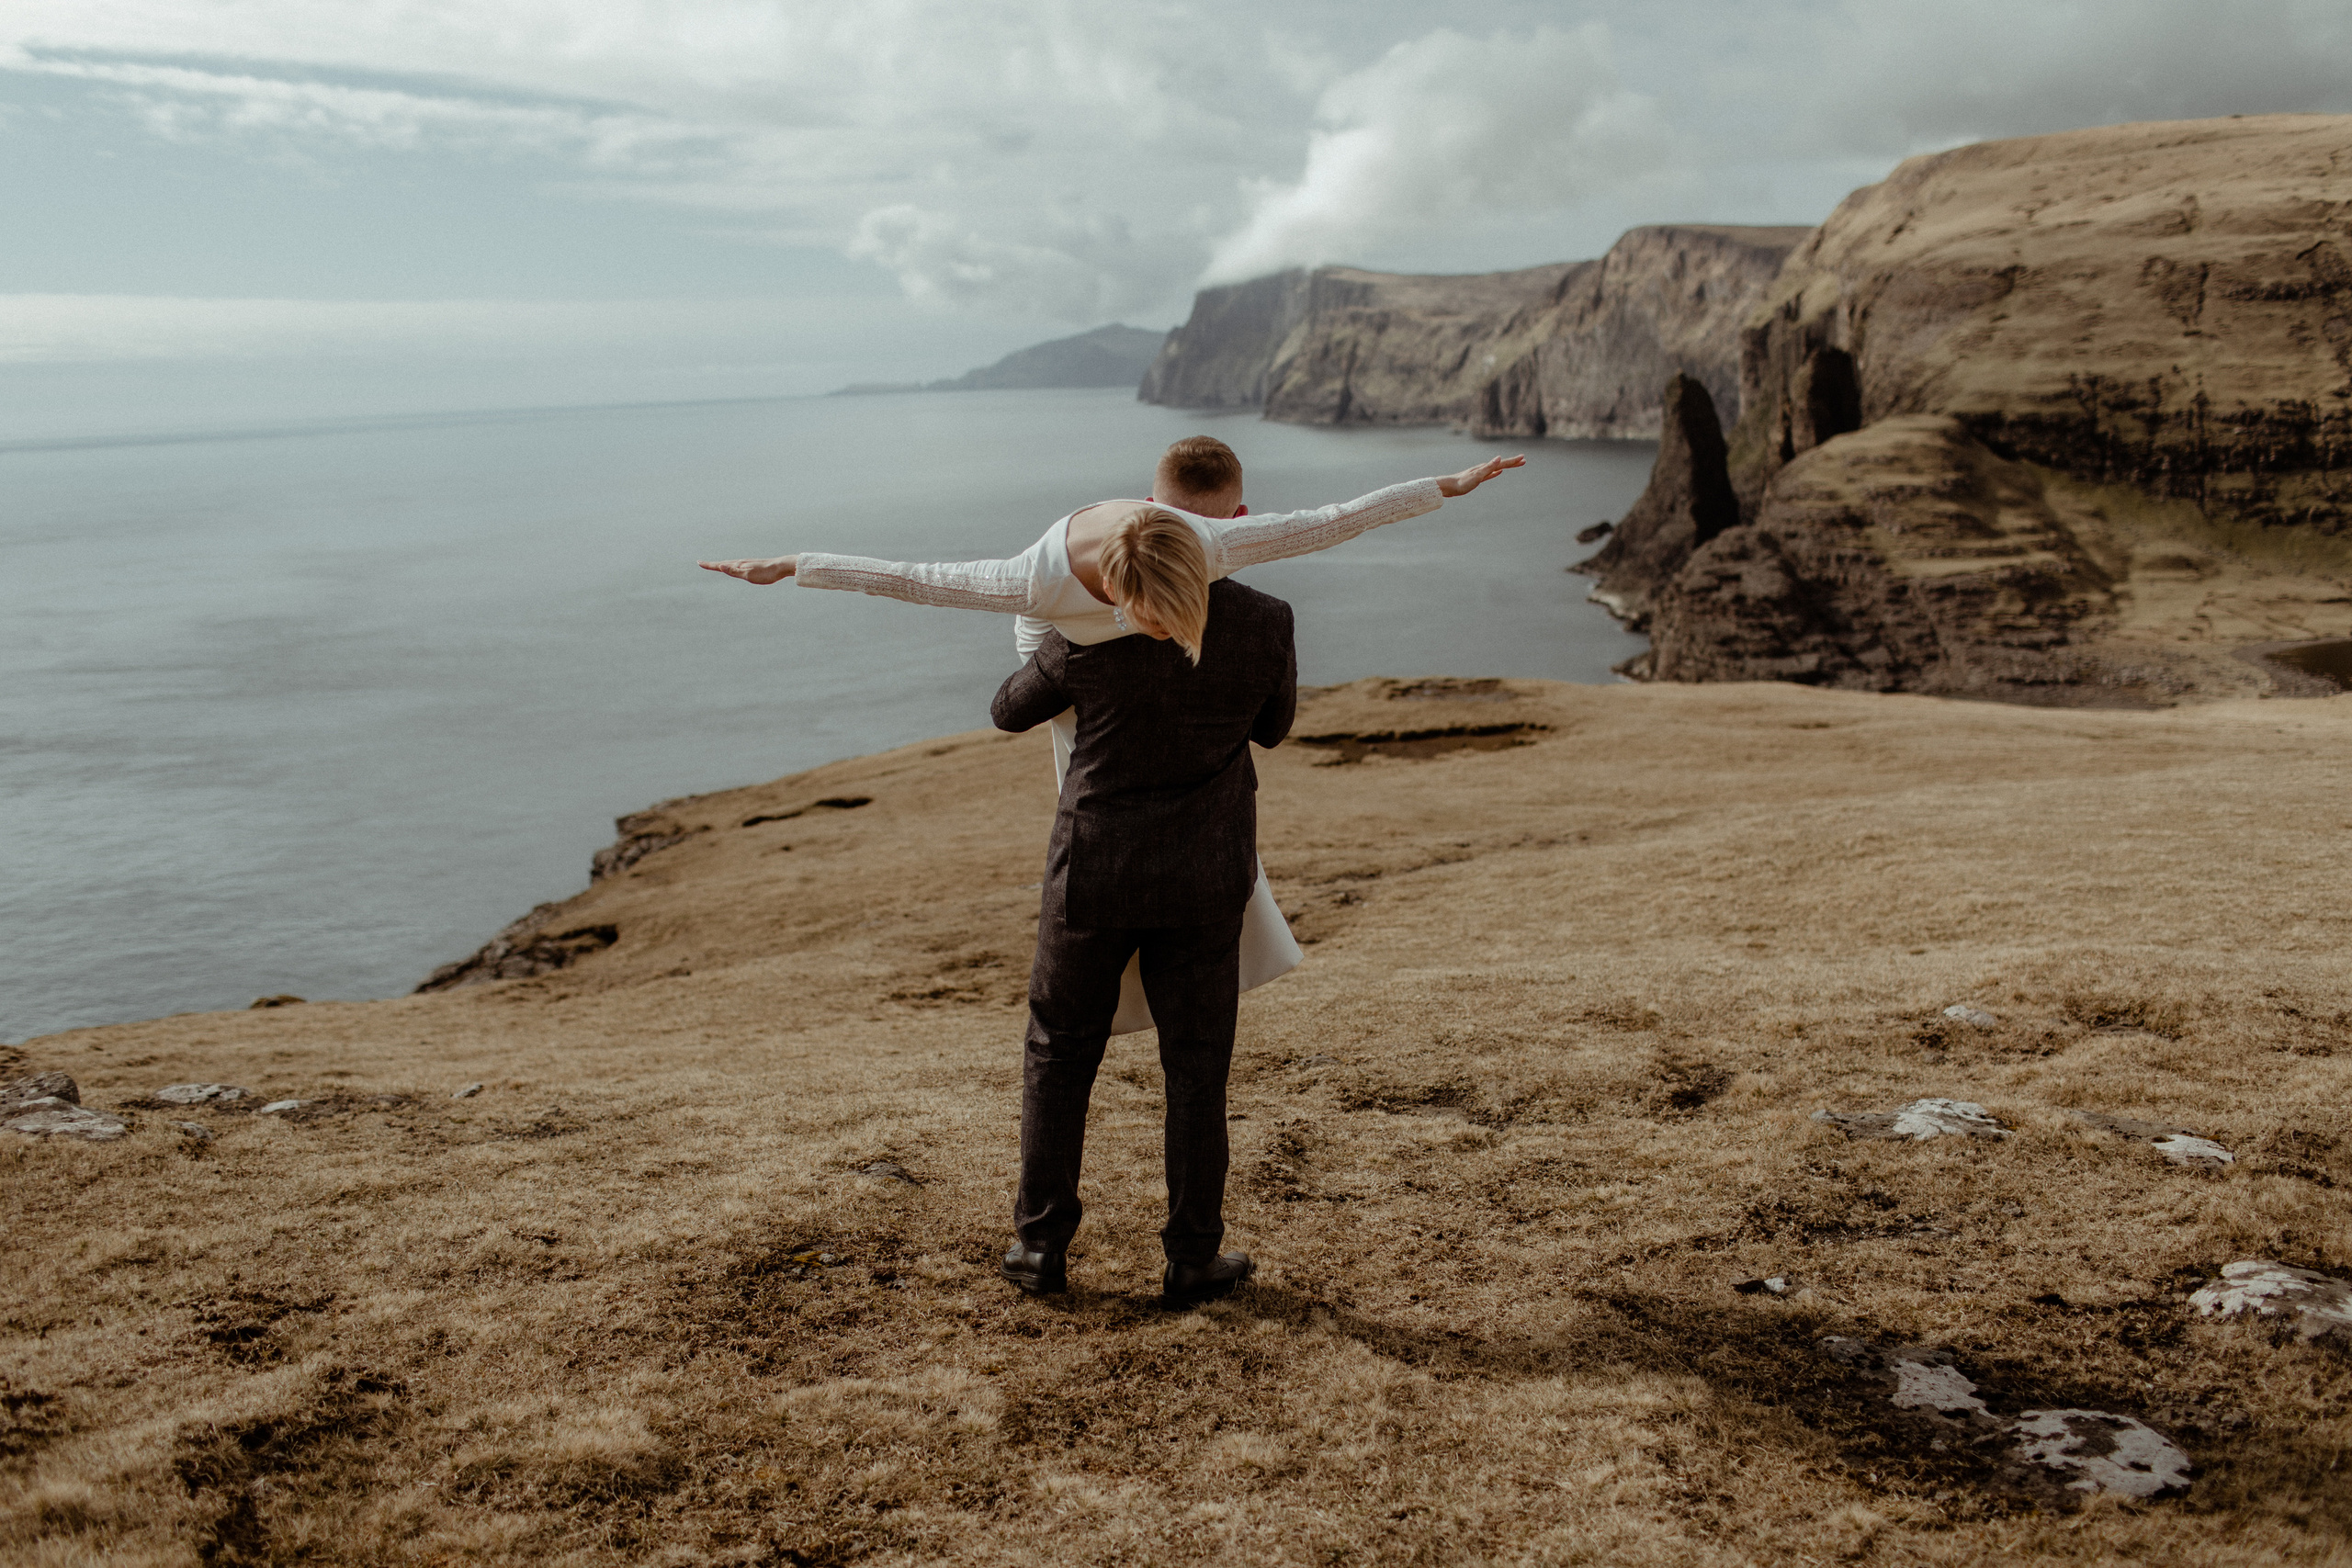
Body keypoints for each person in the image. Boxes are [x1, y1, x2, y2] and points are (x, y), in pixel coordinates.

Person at [699, 438, 1525, 1030]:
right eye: (1154, 621)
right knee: (1081, 752)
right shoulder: (1033, 578)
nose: (1165, 632)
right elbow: (912, 579)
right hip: (1051, 644)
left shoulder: (1216, 541)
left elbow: (1335, 518)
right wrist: (792, 564)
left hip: (1146, 576)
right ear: (1126, 605)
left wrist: (1449, 484)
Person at [989, 539, 1296, 1306]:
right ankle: (1193, 1256)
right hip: (1204, 875)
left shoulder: (1090, 631)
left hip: (1094, 872)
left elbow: (1006, 711)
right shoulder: (1265, 619)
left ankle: (1039, 1246)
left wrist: (1048, 622)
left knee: (1058, 1052)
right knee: (1198, 1068)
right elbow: (1273, 727)